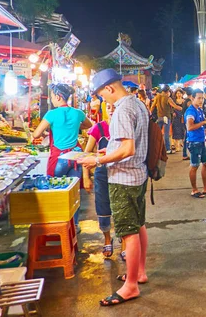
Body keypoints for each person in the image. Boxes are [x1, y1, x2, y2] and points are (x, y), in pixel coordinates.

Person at [78, 69, 150, 307]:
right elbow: (128, 145)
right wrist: (107, 152)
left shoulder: (122, 110)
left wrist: (97, 160)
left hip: (124, 179)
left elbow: (127, 149)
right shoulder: (138, 104)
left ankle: (130, 287)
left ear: (109, 88)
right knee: (138, 225)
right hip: (138, 175)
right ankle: (138, 273)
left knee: (128, 232)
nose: (102, 100)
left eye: (101, 95)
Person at [33, 84, 93, 230]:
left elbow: (35, 134)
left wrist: (49, 131)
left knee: (54, 191)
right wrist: (74, 128)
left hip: (58, 158)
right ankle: (75, 225)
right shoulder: (77, 113)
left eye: (53, 96)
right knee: (74, 193)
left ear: (58, 97)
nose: (52, 99)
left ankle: (57, 223)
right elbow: (88, 125)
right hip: (75, 157)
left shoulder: (51, 115)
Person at [84, 102, 125, 259]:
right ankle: (107, 240)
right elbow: (86, 153)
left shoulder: (124, 127)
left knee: (122, 208)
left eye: (115, 107)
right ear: (104, 110)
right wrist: (86, 177)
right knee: (103, 207)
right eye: (109, 107)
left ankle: (125, 243)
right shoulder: (98, 128)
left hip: (121, 173)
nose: (112, 110)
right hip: (101, 174)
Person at [185, 89, 206, 199]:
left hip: (200, 141)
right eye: (199, 98)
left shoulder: (199, 110)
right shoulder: (191, 111)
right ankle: (194, 190)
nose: (201, 100)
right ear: (192, 98)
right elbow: (190, 127)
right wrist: (204, 122)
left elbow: (202, 123)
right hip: (194, 142)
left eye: (202, 98)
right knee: (194, 166)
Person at [150, 85, 182, 154]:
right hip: (166, 118)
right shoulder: (168, 98)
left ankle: (155, 148)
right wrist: (182, 108)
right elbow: (175, 106)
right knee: (166, 134)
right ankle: (167, 149)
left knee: (158, 134)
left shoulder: (157, 97)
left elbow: (152, 107)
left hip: (159, 117)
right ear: (168, 91)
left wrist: (149, 114)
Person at [171, 89, 187, 155]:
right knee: (176, 130)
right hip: (175, 118)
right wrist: (173, 112)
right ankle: (177, 146)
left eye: (180, 93)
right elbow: (171, 108)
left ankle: (182, 144)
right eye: (177, 93)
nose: (178, 94)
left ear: (182, 94)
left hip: (182, 117)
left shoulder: (184, 101)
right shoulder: (174, 101)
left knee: (182, 130)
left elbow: (185, 109)